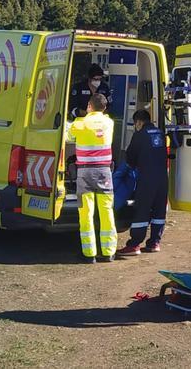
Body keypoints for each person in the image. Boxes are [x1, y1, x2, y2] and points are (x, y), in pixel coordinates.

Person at [70, 94, 117, 263]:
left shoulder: (80, 123)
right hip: (104, 172)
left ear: (89, 106)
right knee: (106, 211)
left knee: (86, 213)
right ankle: (109, 252)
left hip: (85, 173)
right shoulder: (109, 123)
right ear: (104, 108)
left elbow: (68, 135)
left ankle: (89, 254)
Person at [116, 109, 170, 257]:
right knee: (159, 210)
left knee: (142, 209)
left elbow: (130, 158)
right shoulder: (160, 133)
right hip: (163, 178)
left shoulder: (139, 135)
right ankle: (154, 242)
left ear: (139, 122)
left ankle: (134, 245)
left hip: (147, 178)